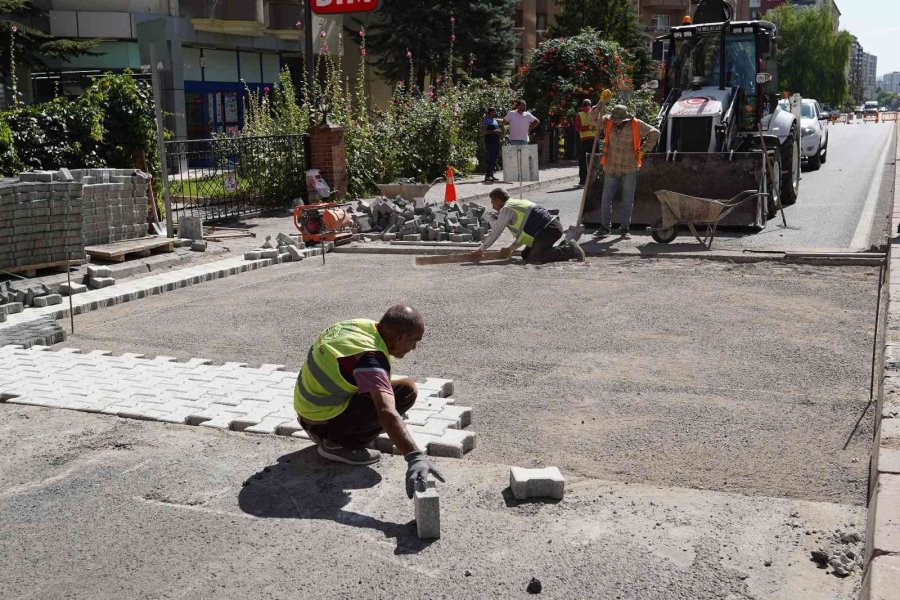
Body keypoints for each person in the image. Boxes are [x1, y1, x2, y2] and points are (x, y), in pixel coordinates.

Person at [294, 305, 444, 498]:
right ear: (400, 338)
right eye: (415, 341)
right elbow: (386, 411)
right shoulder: (371, 358)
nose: (414, 348)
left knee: (393, 390)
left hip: (308, 410)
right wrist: (414, 456)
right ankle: (340, 445)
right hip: (322, 422)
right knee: (405, 393)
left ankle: (334, 431)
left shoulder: (360, 326)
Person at [590, 102, 660, 240]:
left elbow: (655, 133)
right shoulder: (607, 122)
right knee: (606, 199)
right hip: (611, 167)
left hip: (629, 168)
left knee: (627, 200)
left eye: (618, 120)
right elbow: (592, 118)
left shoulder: (636, 124)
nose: (616, 123)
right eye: (614, 120)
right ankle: (605, 227)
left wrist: (643, 149)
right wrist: (600, 102)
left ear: (625, 118)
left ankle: (624, 229)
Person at [474, 188, 585, 263]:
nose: (493, 207)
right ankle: (564, 245)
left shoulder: (507, 209)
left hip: (549, 229)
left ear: (497, 200)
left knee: (534, 257)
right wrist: (510, 249)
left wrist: (482, 248)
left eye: (493, 203)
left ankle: (569, 250)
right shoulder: (514, 204)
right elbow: (523, 235)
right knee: (526, 255)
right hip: (549, 229)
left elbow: (496, 231)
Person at [575, 98, 598, 187]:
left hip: (592, 140)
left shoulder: (594, 114)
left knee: (591, 161)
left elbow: (599, 125)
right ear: (583, 107)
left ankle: (589, 181)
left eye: (589, 106)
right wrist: (589, 127)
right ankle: (585, 181)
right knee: (585, 161)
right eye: (587, 106)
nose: (588, 108)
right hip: (586, 140)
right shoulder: (580, 115)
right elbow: (577, 128)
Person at [481, 107, 502, 182]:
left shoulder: (495, 121)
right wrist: (493, 131)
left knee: (495, 158)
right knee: (490, 158)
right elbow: (484, 131)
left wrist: (498, 131)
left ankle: (492, 175)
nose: (495, 113)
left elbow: (498, 130)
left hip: (496, 141)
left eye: (495, 112)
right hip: (490, 141)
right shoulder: (486, 120)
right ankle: (487, 176)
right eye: (493, 112)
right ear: (489, 112)